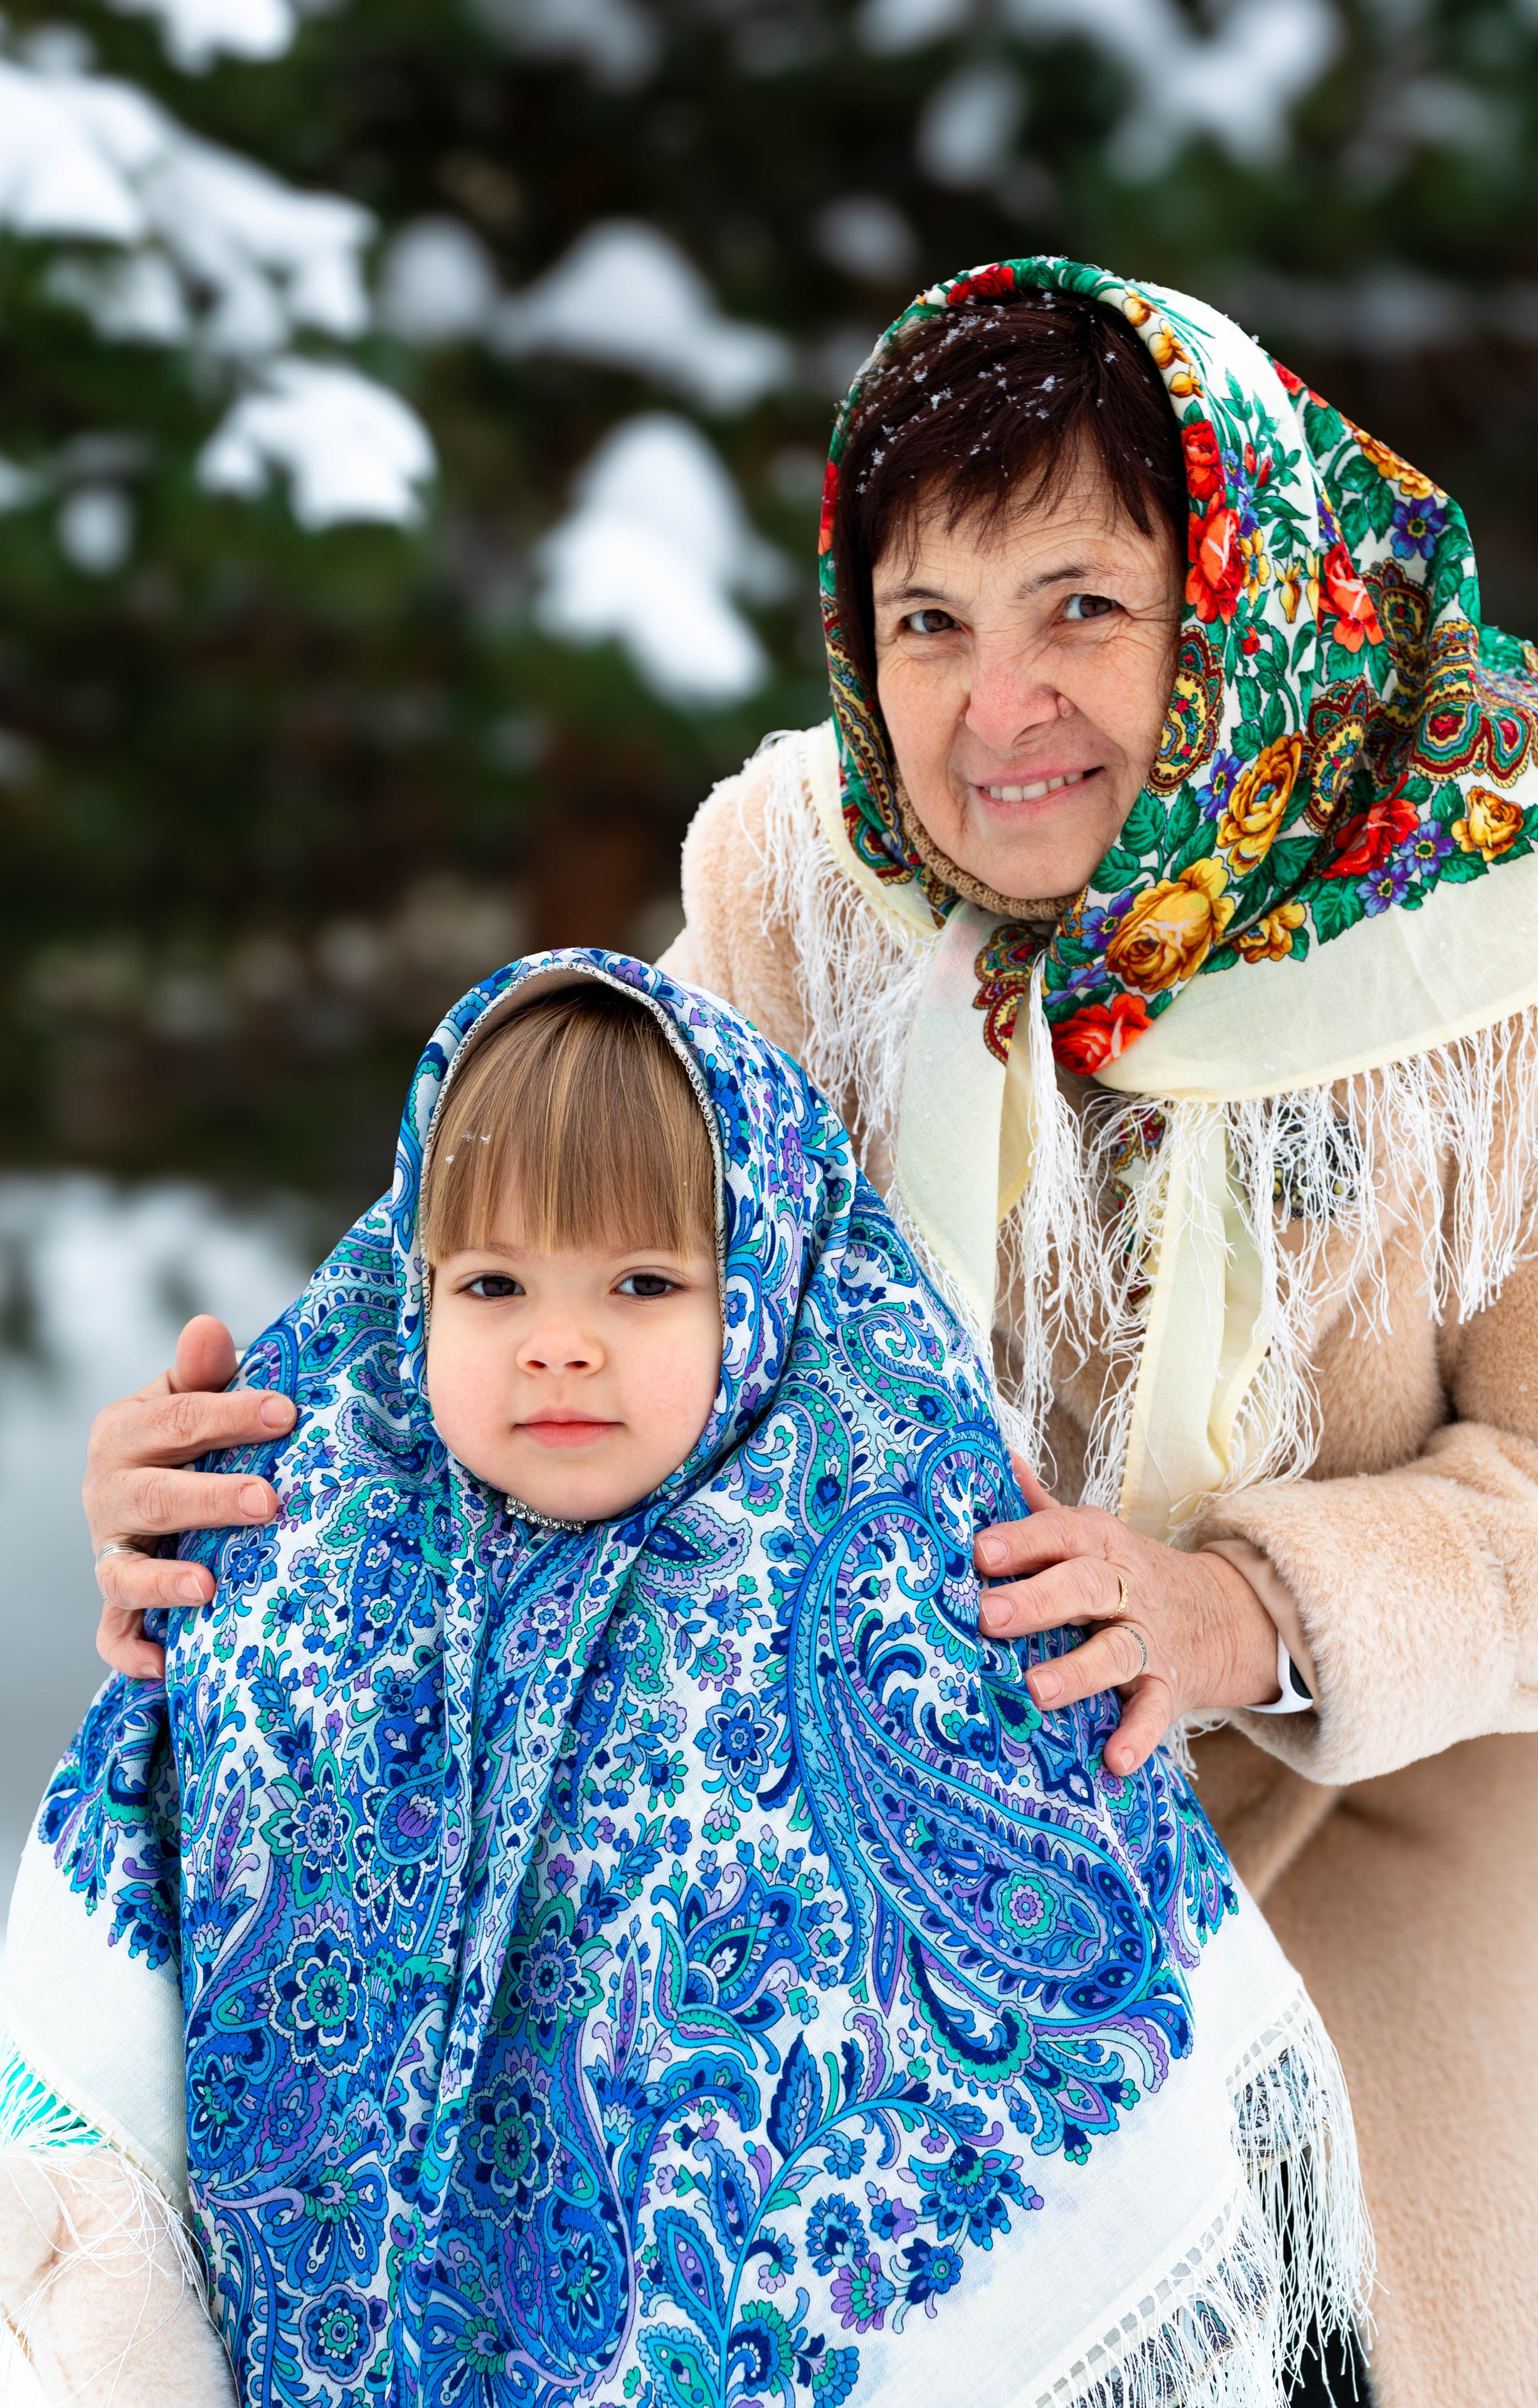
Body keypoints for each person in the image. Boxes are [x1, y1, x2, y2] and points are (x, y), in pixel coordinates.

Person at [81, 259, 1538, 2403]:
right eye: (926, 624)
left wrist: (1246, 1610)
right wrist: (245, 1477)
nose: (991, 708)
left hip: (1362, 1882)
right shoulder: (805, 889)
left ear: (1239, 598)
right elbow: (540, 1263)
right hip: (863, 1962)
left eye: (1082, 609)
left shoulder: (1484, 953)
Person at [0, 957, 1367, 2407]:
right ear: (410, 1288)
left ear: (751, 1292)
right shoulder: (305, 1564)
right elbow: (160, 1878)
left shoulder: (885, 1592)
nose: (560, 1340)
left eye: (641, 1282)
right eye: (492, 1284)